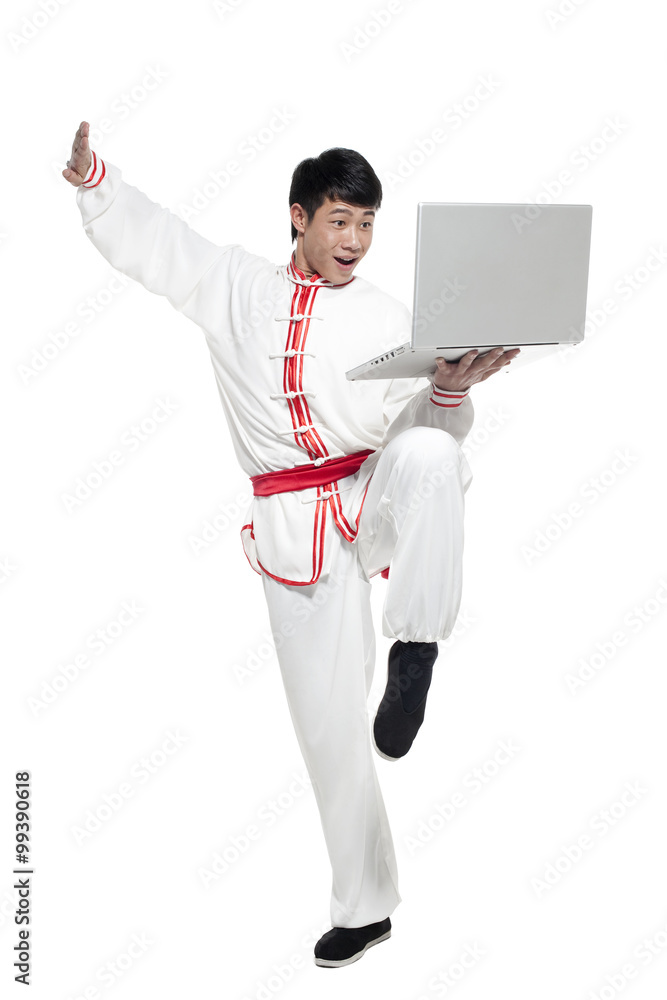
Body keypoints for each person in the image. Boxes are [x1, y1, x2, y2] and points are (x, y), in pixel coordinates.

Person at [63, 121, 518, 968]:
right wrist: (96, 182)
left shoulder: (388, 316)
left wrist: (448, 391)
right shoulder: (234, 286)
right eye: (341, 220)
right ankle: (366, 906)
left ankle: (414, 648)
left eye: (369, 223)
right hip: (290, 533)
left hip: (371, 498)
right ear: (299, 218)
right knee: (327, 731)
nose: (355, 240)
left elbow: (425, 440)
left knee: (427, 452)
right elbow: (161, 243)